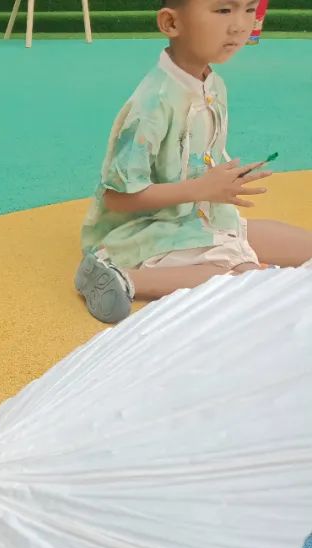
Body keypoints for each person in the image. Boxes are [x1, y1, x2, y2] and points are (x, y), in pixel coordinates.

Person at [76, 0, 312, 323]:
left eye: (249, 9)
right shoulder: (153, 104)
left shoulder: (213, 86)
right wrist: (202, 188)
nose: (240, 25)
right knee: (244, 277)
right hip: (144, 230)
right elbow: (117, 198)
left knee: (295, 247)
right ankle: (122, 277)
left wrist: (220, 179)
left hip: (195, 220)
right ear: (171, 24)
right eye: (224, 11)